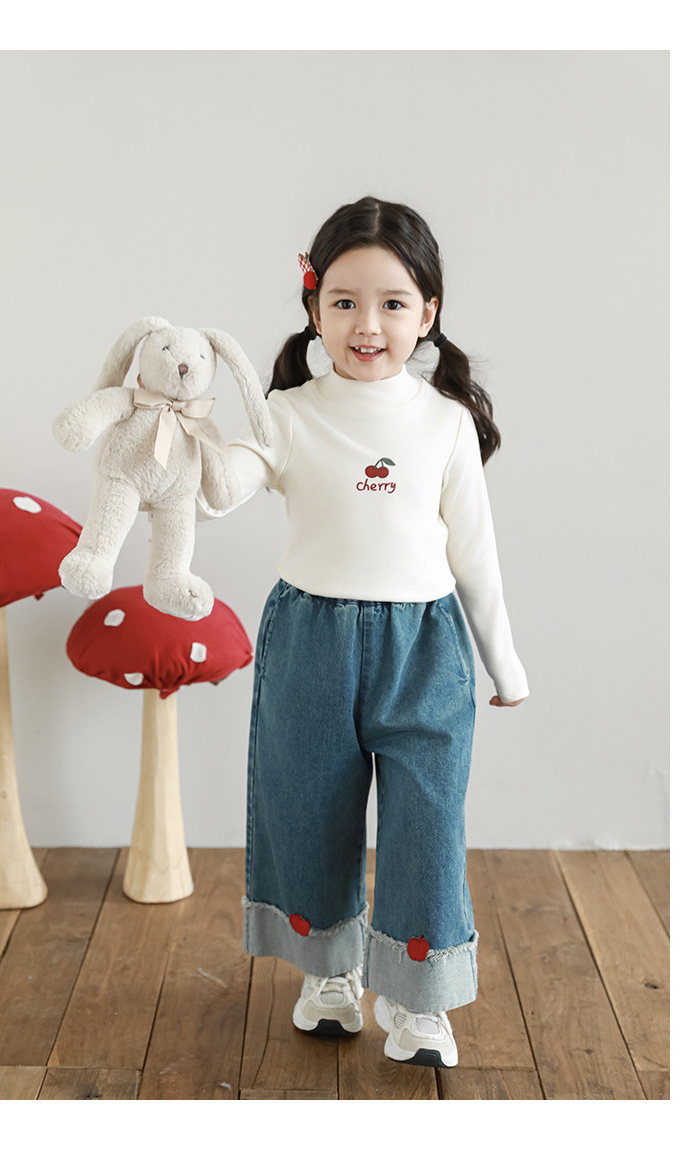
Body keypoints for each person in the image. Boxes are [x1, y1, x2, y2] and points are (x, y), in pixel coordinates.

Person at [197, 195, 529, 1068]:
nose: (367, 324)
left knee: (428, 823)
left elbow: (476, 554)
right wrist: (189, 445)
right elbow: (222, 490)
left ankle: (419, 1000)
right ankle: (329, 974)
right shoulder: (288, 413)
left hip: (426, 650)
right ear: (314, 308)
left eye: (391, 302)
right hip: (310, 642)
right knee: (306, 807)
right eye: (344, 301)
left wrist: (504, 660)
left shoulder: (446, 423)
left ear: (429, 312)